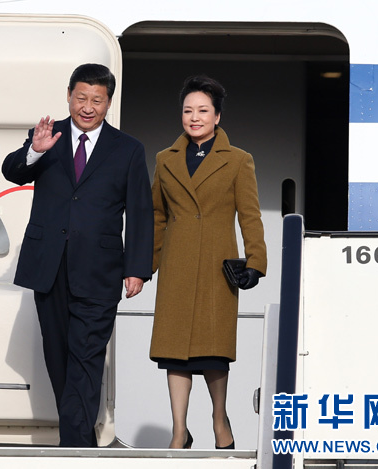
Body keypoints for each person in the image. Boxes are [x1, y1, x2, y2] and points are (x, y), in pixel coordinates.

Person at [2, 63, 153, 448]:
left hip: (100, 272)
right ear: (69, 96)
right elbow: (13, 172)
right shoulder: (46, 136)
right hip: (49, 267)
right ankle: (79, 442)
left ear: (108, 103)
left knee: (86, 359)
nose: (88, 107)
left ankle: (74, 451)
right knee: (59, 360)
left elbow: (140, 211)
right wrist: (34, 151)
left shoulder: (128, 149)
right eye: (81, 98)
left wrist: (137, 268)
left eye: (96, 100)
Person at [149, 75, 267, 449]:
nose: (194, 117)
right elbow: (156, 216)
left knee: (214, 350)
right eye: (188, 111)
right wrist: (144, 265)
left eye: (203, 111)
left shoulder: (238, 160)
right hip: (178, 263)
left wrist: (256, 261)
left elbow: (250, 214)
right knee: (174, 353)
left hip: (218, 264)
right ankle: (179, 431)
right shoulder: (165, 159)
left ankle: (219, 418)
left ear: (217, 116)